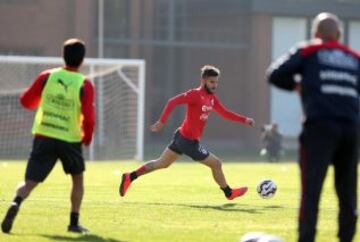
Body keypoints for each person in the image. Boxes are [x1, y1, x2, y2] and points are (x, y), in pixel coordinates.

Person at [267, 12, 359, 242]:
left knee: (311, 192)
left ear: (315, 34)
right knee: (348, 194)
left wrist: (299, 86)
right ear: (339, 34)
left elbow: (275, 75)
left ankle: (306, 238)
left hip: (320, 128)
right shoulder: (354, 57)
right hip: (351, 130)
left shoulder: (308, 51)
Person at [1, 38, 95, 234]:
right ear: (82, 60)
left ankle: (16, 202)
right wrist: (86, 138)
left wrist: (46, 102)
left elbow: (26, 101)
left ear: (63, 56)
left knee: (29, 182)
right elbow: (89, 117)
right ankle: (74, 222)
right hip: (70, 139)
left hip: (44, 135)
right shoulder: (84, 84)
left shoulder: (47, 77)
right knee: (77, 179)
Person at [119, 65, 255, 200]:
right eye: (212, 82)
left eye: (216, 82)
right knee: (216, 164)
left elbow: (225, 113)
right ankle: (228, 193)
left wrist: (244, 120)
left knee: (161, 163)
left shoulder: (212, 98)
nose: (215, 85)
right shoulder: (195, 94)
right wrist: (162, 122)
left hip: (181, 137)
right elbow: (172, 102)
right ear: (203, 80)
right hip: (188, 142)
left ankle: (130, 177)